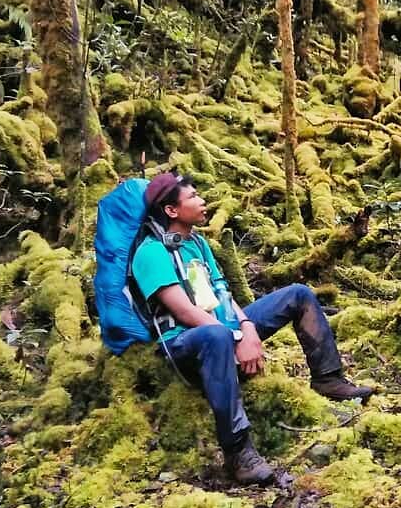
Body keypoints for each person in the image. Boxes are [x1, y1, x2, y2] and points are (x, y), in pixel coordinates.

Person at [131, 171, 372, 485]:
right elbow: (185, 311)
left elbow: (223, 294)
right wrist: (235, 337)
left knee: (298, 295)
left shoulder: (199, 244)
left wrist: (247, 327)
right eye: (193, 197)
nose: (202, 201)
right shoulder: (150, 253)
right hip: (186, 343)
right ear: (171, 211)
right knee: (216, 335)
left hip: (225, 328)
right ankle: (238, 452)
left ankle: (329, 379)